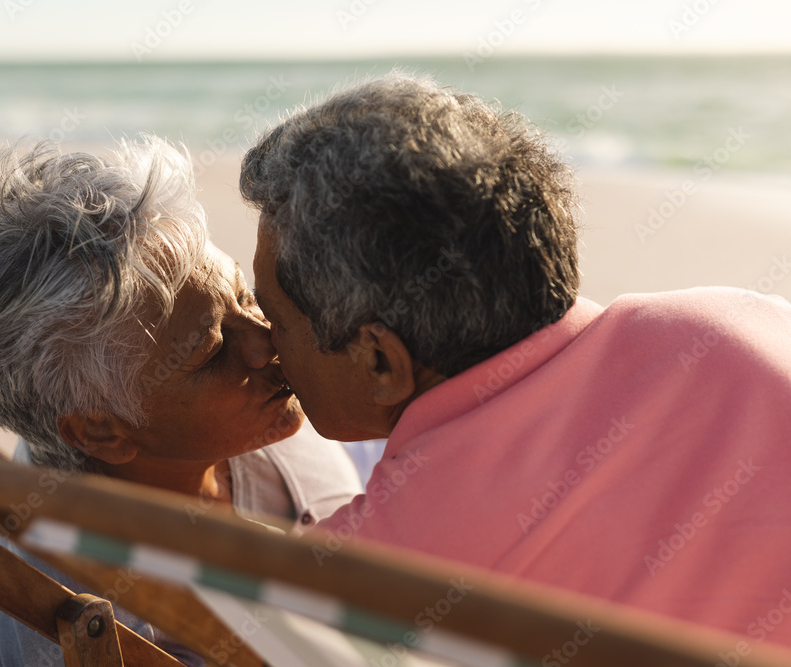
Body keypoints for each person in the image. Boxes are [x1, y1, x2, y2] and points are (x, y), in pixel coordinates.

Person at [240, 72, 791, 647]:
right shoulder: (740, 321)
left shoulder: (367, 574)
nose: (261, 344)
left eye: (275, 318)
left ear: (380, 361)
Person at [0, 137, 362, 666]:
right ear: (102, 431)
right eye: (212, 353)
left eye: (244, 296)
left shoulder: (239, 421)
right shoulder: (98, 624)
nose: (268, 340)